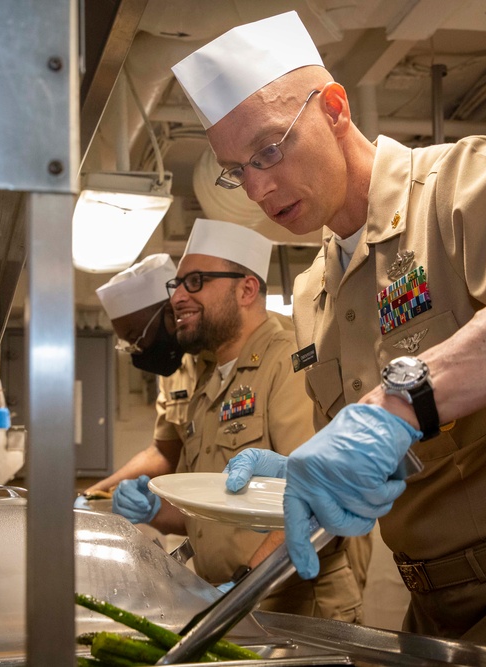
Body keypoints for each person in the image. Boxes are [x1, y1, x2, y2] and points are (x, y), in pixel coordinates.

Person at [170, 10, 486, 662]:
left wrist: (399, 402)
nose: (257, 186)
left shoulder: (460, 185)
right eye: (236, 170)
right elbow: (395, 454)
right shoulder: (315, 292)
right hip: (429, 601)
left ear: (335, 108)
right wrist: (306, 480)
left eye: (270, 149)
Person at [109, 218, 370, 621]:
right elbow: (220, 512)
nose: (177, 297)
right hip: (235, 603)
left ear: (247, 289)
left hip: (294, 607)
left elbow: (315, 502)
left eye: (195, 281)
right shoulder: (209, 380)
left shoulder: (288, 363)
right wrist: (155, 511)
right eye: (176, 285)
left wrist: (246, 584)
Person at [81, 253, 200, 504]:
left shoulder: (245, 353)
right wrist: (93, 494)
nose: (137, 350)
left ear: (171, 313)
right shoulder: (178, 369)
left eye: (135, 337)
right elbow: (164, 452)